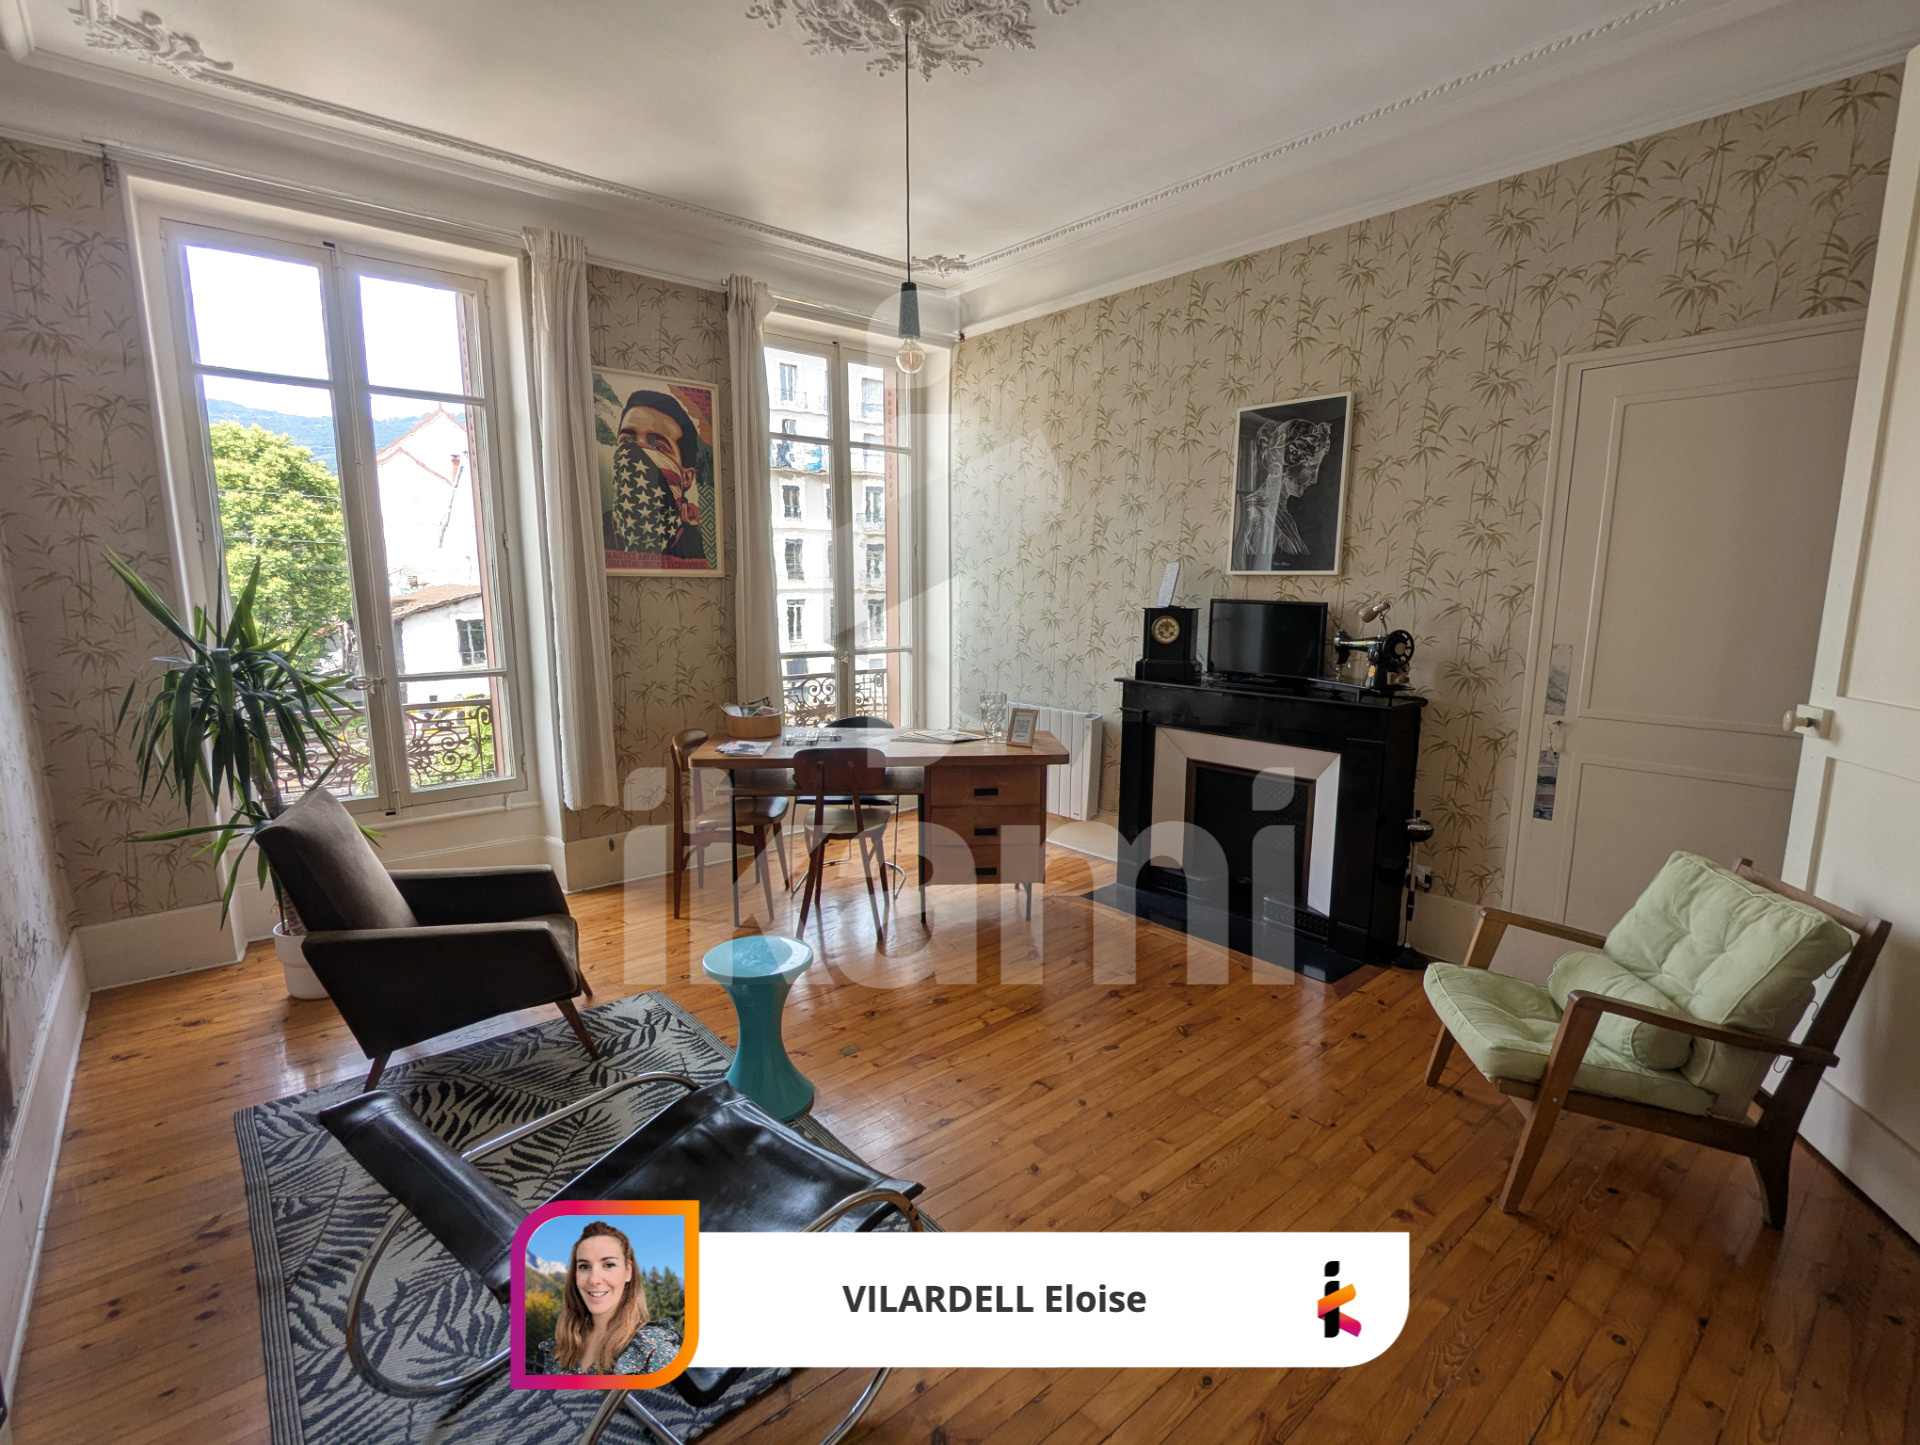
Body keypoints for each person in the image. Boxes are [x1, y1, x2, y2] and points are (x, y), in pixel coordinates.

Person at [535, 1220, 681, 1376]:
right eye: (584, 1266)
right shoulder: (559, 1348)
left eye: (609, 1265)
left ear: (628, 1271)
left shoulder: (654, 1351)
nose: (594, 1279)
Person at [609, 388, 709, 564]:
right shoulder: (599, 530)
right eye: (626, 441)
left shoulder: (694, 546)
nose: (637, 452)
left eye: (657, 447)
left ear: (686, 477)